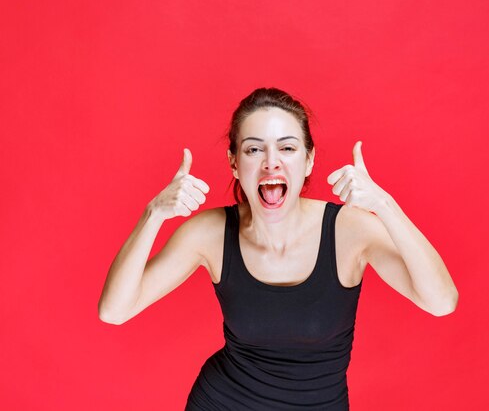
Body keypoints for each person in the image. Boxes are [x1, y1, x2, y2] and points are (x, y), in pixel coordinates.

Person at [98, 87, 459, 410]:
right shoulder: (209, 233)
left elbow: (441, 301)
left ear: (309, 160)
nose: (271, 161)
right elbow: (115, 310)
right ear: (235, 164)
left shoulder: (349, 230)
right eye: (254, 149)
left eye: (287, 147)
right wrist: (154, 214)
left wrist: (385, 205)